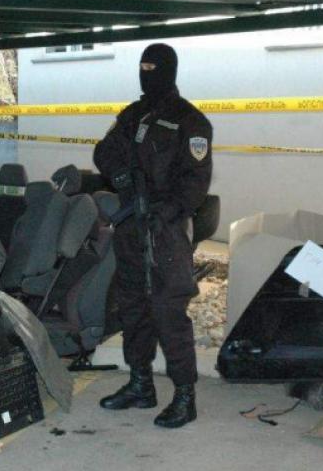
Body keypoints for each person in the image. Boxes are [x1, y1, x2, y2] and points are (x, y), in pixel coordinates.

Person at [92, 44, 212, 428]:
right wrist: (123, 178)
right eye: (142, 66)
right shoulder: (133, 114)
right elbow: (104, 151)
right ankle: (140, 383)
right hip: (131, 225)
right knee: (132, 307)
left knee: (168, 311)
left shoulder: (190, 121)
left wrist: (168, 209)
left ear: (169, 70)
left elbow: (196, 181)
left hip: (166, 230)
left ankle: (185, 396)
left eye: (153, 67)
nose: (147, 73)